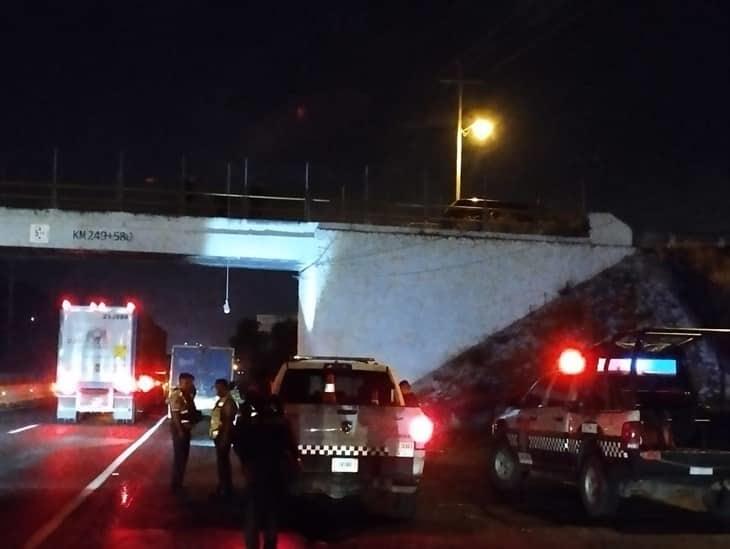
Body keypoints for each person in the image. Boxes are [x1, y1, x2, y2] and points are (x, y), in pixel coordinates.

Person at [236, 383, 298, 549]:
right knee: (271, 513)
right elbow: (291, 446)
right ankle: (269, 545)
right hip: (274, 471)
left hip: (255, 470)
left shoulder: (249, 422)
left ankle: (252, 545)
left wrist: (245, 463)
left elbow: (239, 444)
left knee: (253, 513)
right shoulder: (280, 424)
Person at [168, 372, 198, 495]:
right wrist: (180, 431)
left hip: (186, 430)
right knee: (180, 458)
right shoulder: (177, 395)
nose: (190, 385)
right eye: (187, 383)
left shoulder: (186, 395)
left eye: (191, 383)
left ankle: (179, 483)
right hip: (179, 430)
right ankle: (176, 485)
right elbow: (175, 415)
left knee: (183, 457)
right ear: (181, 382)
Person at [210, 378, 238, 500]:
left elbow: (227, 422)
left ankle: (225, 489)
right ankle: (224, 487)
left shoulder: (228, 402)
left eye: (217, 388)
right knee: (222, 462)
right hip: (220, 436)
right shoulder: (223, 400)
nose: (216, 390)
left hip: (223, 436)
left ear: (223, 387)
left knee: (223, 463)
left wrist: (225, 438)